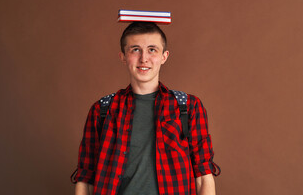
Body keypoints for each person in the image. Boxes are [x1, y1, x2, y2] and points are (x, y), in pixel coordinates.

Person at [74, 22, 220, 195]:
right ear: (123, 56)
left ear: (164, 56)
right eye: (135, 49)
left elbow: (203, 176)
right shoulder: (102, 110)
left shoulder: (188, 107)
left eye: (152, 49)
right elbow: (85, 178)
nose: (144, 58)